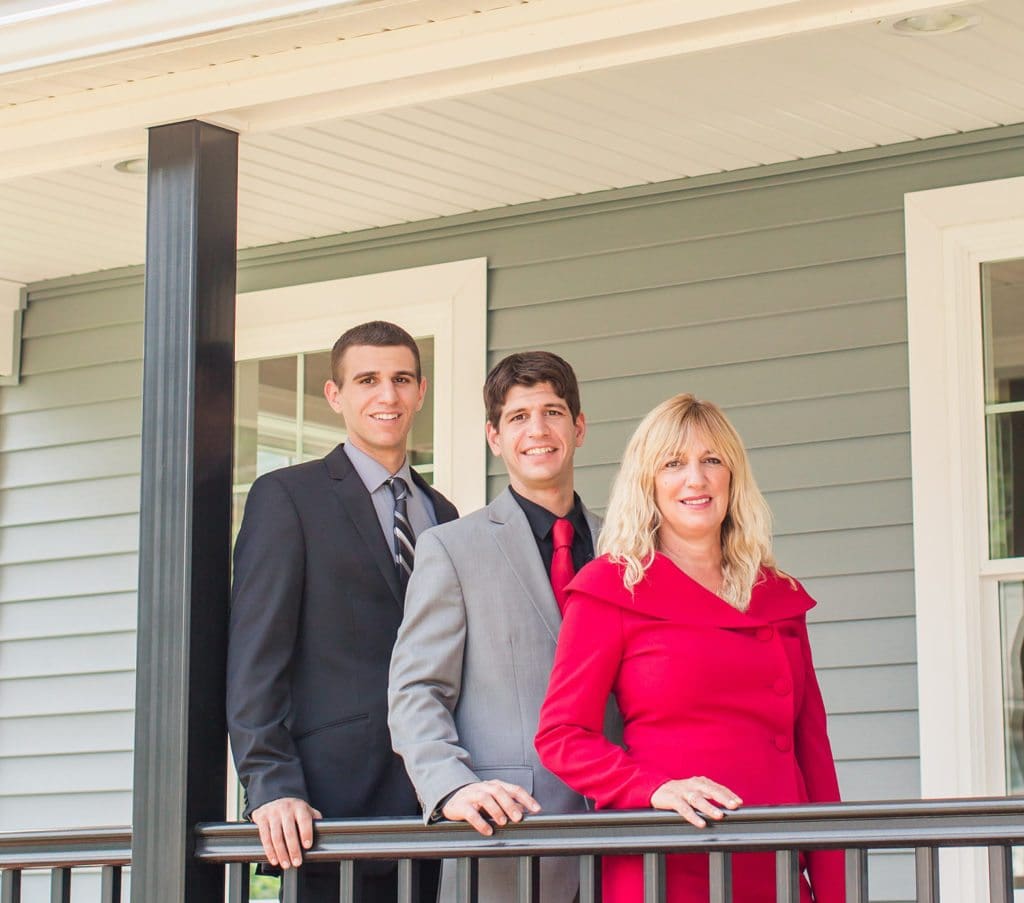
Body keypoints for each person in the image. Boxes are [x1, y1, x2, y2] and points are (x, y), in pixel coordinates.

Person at [534, 393, 845, 903]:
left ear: (732, 477)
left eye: (712, 460)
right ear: (648, 482)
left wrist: (833, 891)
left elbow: (815, 757)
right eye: (673, 464)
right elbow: (562, 736)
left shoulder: (778, 595)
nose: (695, 479)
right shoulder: (613, 587)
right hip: (665, 860)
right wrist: (654, 789)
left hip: (773, 861)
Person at [227, 321, 458, 903]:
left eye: (401, 379)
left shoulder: (444, 514)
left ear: (421, 392)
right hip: (323, 812)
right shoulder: (288, 497)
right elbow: (256, 655)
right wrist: (269, 782)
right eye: (368, 380)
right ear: (335, 395)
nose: (388, 395)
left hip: (433, 803)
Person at [388, 351, 602, 903]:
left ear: (579, 427)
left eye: (553, 412)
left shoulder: (628, 547)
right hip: (508, 840)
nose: (538, 430)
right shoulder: (451, 549)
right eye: (518, 416)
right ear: (494, 436)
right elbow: (416, 691)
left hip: (627, 837)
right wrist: (451, 787)